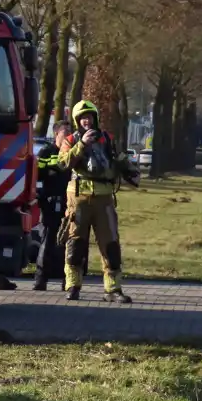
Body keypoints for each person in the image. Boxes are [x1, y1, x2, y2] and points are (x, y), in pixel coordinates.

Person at [56, 100, 141, 303]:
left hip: (104, 198)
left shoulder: (107, 139)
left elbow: (119, 157)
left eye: (90, 117)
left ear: (95, 118)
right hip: (78, 198)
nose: (87, 121)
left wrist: (130, 170)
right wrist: (82, 145)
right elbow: (63, 162)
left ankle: (113, 289)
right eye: (83, 118)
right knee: (75, 243)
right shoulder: (71, 140)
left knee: (110, 244)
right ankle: (73, 286)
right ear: (77, 121)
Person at [0, 119, 78, 291]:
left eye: (70, 131)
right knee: (47, 242)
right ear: (56, 133)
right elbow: (37, 175)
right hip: (51, 201)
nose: (68, 135)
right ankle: (41, 280)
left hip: (69, 202)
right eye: (65, 132)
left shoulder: (73, 152)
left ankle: (67, 281)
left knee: (68, 242)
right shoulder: (47, 152)